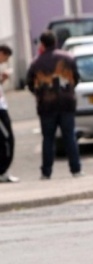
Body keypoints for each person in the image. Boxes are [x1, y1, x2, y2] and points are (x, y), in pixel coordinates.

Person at [26, 30, 82, 179]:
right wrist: (68, 91)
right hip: (66, 103)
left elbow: (30, 83)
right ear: (55, 42)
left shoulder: (36, 62)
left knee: (48, 139)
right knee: (69, 136)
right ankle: (76, 169)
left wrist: (41, 94)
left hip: (46, 105)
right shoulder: (68, 58)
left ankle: (46, 172)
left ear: (42, 44)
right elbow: (76, 78)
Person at [0, 45, 19, 183]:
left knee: (4, 140)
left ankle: (3, 171)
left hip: (2, 106)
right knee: (7, 139)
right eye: (5, 57)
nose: (5, 61)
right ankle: (2, 171)